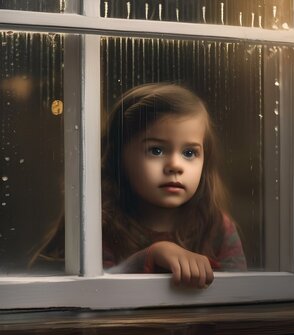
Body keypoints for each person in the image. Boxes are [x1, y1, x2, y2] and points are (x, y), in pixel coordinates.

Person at [30, 83, 246, 288]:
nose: (175, 166)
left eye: (189, 153)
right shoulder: (97, 224)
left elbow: (241, 296)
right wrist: (150, 256)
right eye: (156, 150)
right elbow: (85, 294)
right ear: (118, 158)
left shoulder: (215, 225)